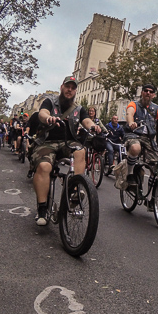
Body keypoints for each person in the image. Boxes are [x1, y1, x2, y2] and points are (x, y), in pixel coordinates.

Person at [31, 76, 101, 226]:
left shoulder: (78, 108)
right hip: (48, 142)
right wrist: (48, 118)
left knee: (80, 151)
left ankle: (74, 190)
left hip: (68, 143)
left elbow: (86, 120)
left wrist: (93, 126)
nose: (70, 90)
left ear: (75, 91)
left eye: (73, 88)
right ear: (62, 87)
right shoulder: (50, 101)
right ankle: (42, 209)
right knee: (44, 166)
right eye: (67, 86)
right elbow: (42, 113)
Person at [124, 82, 158, 188]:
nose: (148, 93)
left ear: (153, 95)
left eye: (151, 91)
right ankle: (130, 174)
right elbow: (129, 113)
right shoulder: (134, 104)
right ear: (142, 93)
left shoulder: (155, 108)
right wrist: (131, 122)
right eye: (146, 91)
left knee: (157, 166)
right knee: (135, 148)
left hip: (148, 138)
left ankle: (151, 194)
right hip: (134, 135)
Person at [23, 112, 41, 178]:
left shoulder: (52, 116)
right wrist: (27, 131)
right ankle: (31, 169)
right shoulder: (36, 115)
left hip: (44, 138)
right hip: (33, 137)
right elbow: (29, 124)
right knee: (31, 153)